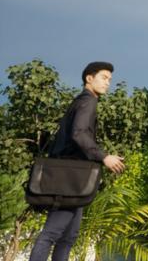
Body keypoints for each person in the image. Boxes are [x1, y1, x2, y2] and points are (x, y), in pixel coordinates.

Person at [30, 62, 125, 261]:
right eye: (104, 78)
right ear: (89, 78)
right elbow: (79, 134)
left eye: (110, 79)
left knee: (68, 237)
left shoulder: (81, 101)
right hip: (70, 178)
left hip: (75, 178)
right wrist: (104, 156)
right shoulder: (88, 101)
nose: (108, 83)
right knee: (51, 234)